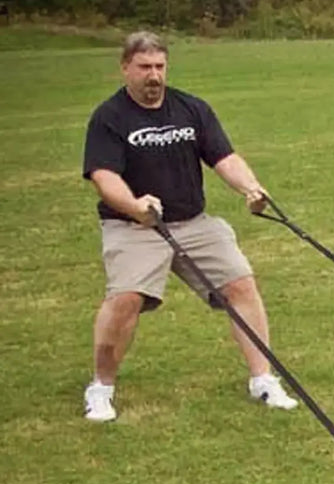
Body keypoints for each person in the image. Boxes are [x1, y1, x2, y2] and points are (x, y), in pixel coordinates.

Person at [81, 30, 297, 421]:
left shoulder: (191, 108)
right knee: (126, 298)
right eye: (144, 67)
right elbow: (103, 176)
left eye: (160, 66)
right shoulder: (109, 118)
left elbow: (223, 157)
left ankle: (263, 379)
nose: (154, 76)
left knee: (241, 284)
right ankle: (101, 387)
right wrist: (134, 205)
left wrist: (251, 189)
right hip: (134, 227)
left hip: (193, 222)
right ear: (125, 68)